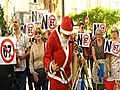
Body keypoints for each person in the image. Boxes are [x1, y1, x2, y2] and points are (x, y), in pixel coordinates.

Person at [43, 16, 75, 90]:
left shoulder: (71, 37)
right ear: (61, 31)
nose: (67, 37)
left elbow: (71, 52)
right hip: (56, 79)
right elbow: (46, 57)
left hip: (67, 77)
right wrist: (51, 66)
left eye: (69, 35)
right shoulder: (52, 38)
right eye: (66, 35)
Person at [10, 17, 30, 90]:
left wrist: (23, 56)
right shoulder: (10, 38)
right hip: (13, 69)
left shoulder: (25, 37)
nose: (14, 24)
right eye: (13, 22)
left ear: (20, 24)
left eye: (16, 22)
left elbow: (29, 51)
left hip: (22, 68)